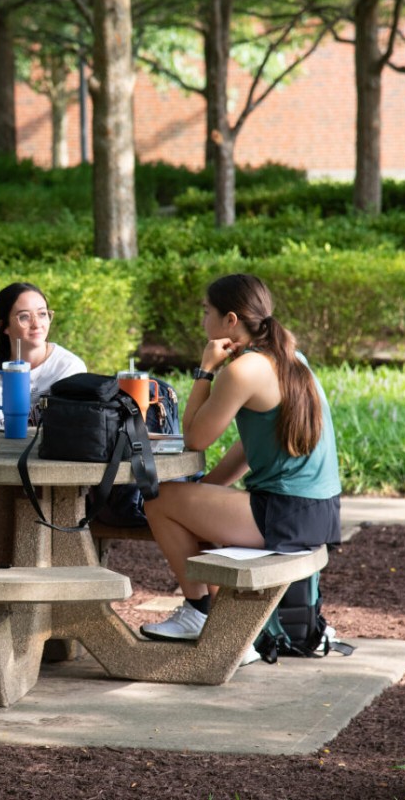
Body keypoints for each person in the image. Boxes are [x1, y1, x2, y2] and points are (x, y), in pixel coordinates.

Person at [138, 273, 341, 644]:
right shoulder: (291, 358)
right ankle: (224, 625)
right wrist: (208, 491)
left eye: (206, 312)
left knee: (159, 498)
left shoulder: (243, 370)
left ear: (230, 320)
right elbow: (252, 446)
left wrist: (205, 370)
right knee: (185, 505)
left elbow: (196, 438)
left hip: (285, 513)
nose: (203, 321)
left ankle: (200, 614)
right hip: (318, 513)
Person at [0, 282, 86, 431]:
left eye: (42, 314)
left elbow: (72, 432)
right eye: (24, 317)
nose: (36, 324)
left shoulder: (69, 368)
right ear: (4, 326)